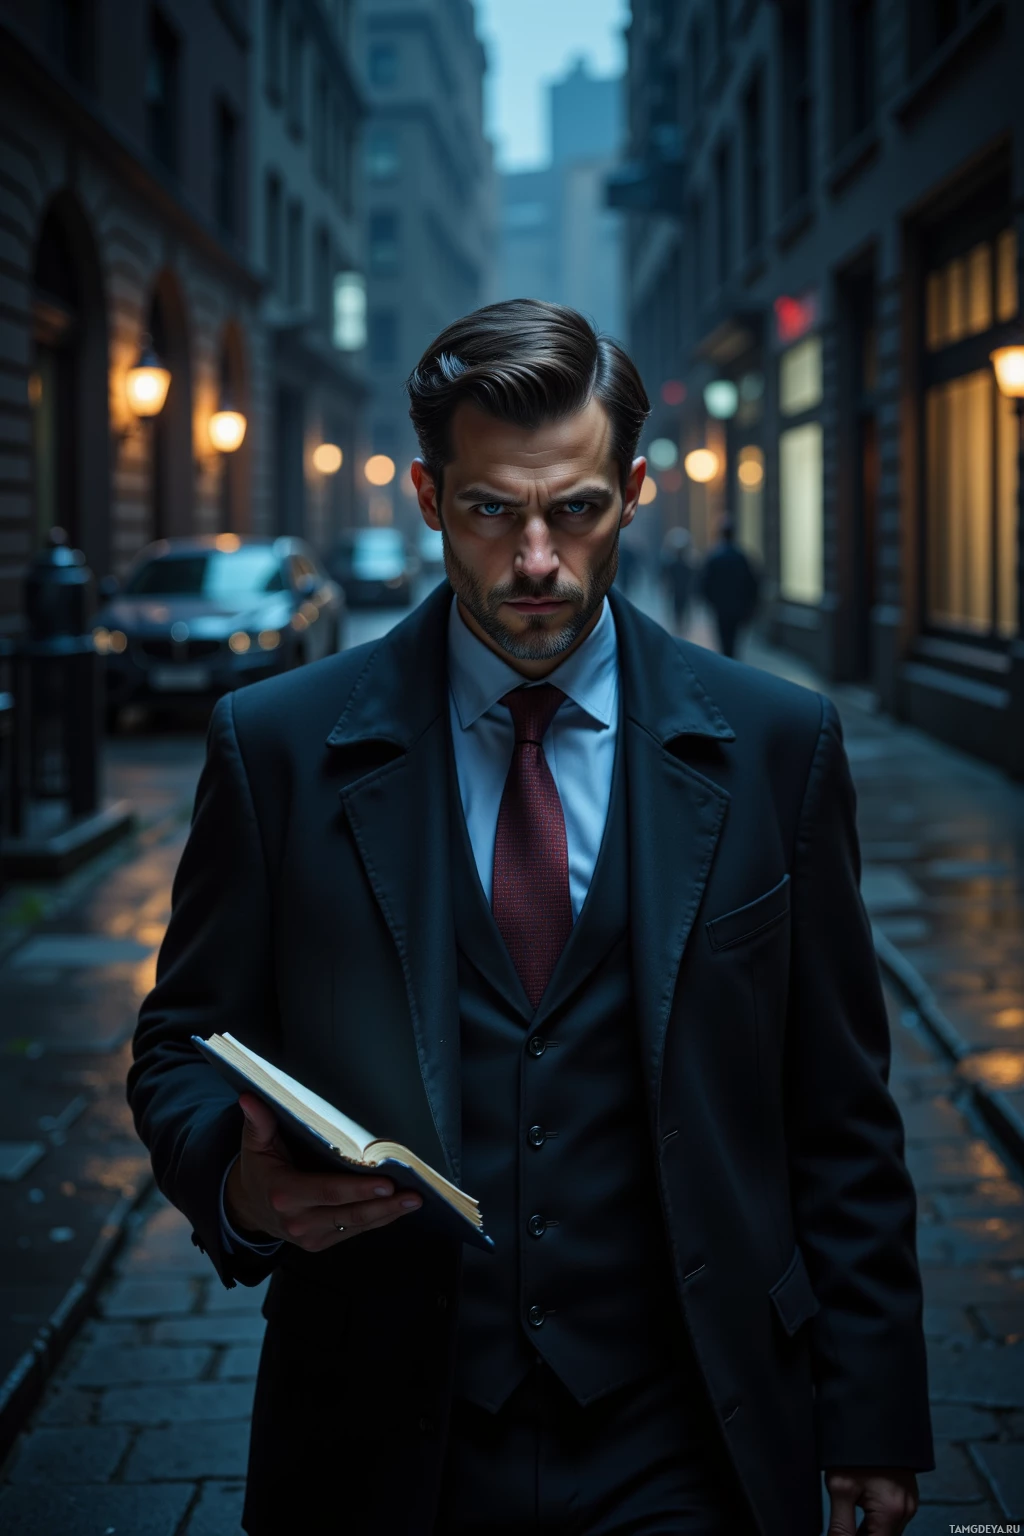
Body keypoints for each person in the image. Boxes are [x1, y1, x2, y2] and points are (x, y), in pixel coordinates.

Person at [128, 300, 932, 1536]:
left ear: (636, 489)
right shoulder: (278, 746)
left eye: (578, 508)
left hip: (690, 1426)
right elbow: (183, 1043)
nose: (538, 558)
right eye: (494, 509)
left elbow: (837, 1113)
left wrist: (870, 1412)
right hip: (384, 1428)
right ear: (428, 496)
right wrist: (241, 1193)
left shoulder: (777, 744)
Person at [701, 515, 759, 658]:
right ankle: (731, 660)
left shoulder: (715, 557)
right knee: (734, 638)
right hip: (738, 607)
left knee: (724, 637)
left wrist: (711, 602)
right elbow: (752, 583)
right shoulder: (741, 557)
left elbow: (705, 583)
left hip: (721, 607)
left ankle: (727, 660)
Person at [659, 524, 695, 635]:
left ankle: (679, 625)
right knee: (683, 608)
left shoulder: (672, 564)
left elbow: (666, 577)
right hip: (683, 590)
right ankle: (682, 625)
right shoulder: (688, 565)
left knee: (677, 608)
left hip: (676, 590)